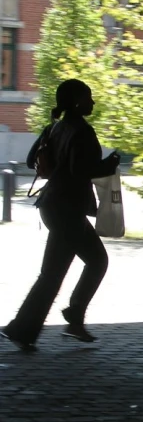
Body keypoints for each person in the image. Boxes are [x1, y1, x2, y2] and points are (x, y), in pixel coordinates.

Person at [0, 79, 120, 352]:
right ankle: (73, 319)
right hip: (68, 208)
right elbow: (83, 170)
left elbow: (33, 161)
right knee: (97, 260)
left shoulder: (54, 127)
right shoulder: (83, 131)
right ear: (77, 102)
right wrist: (111, 163)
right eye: (88, 97)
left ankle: (21, 329)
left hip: (52, 205)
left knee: (51, 273)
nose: (92, 102)